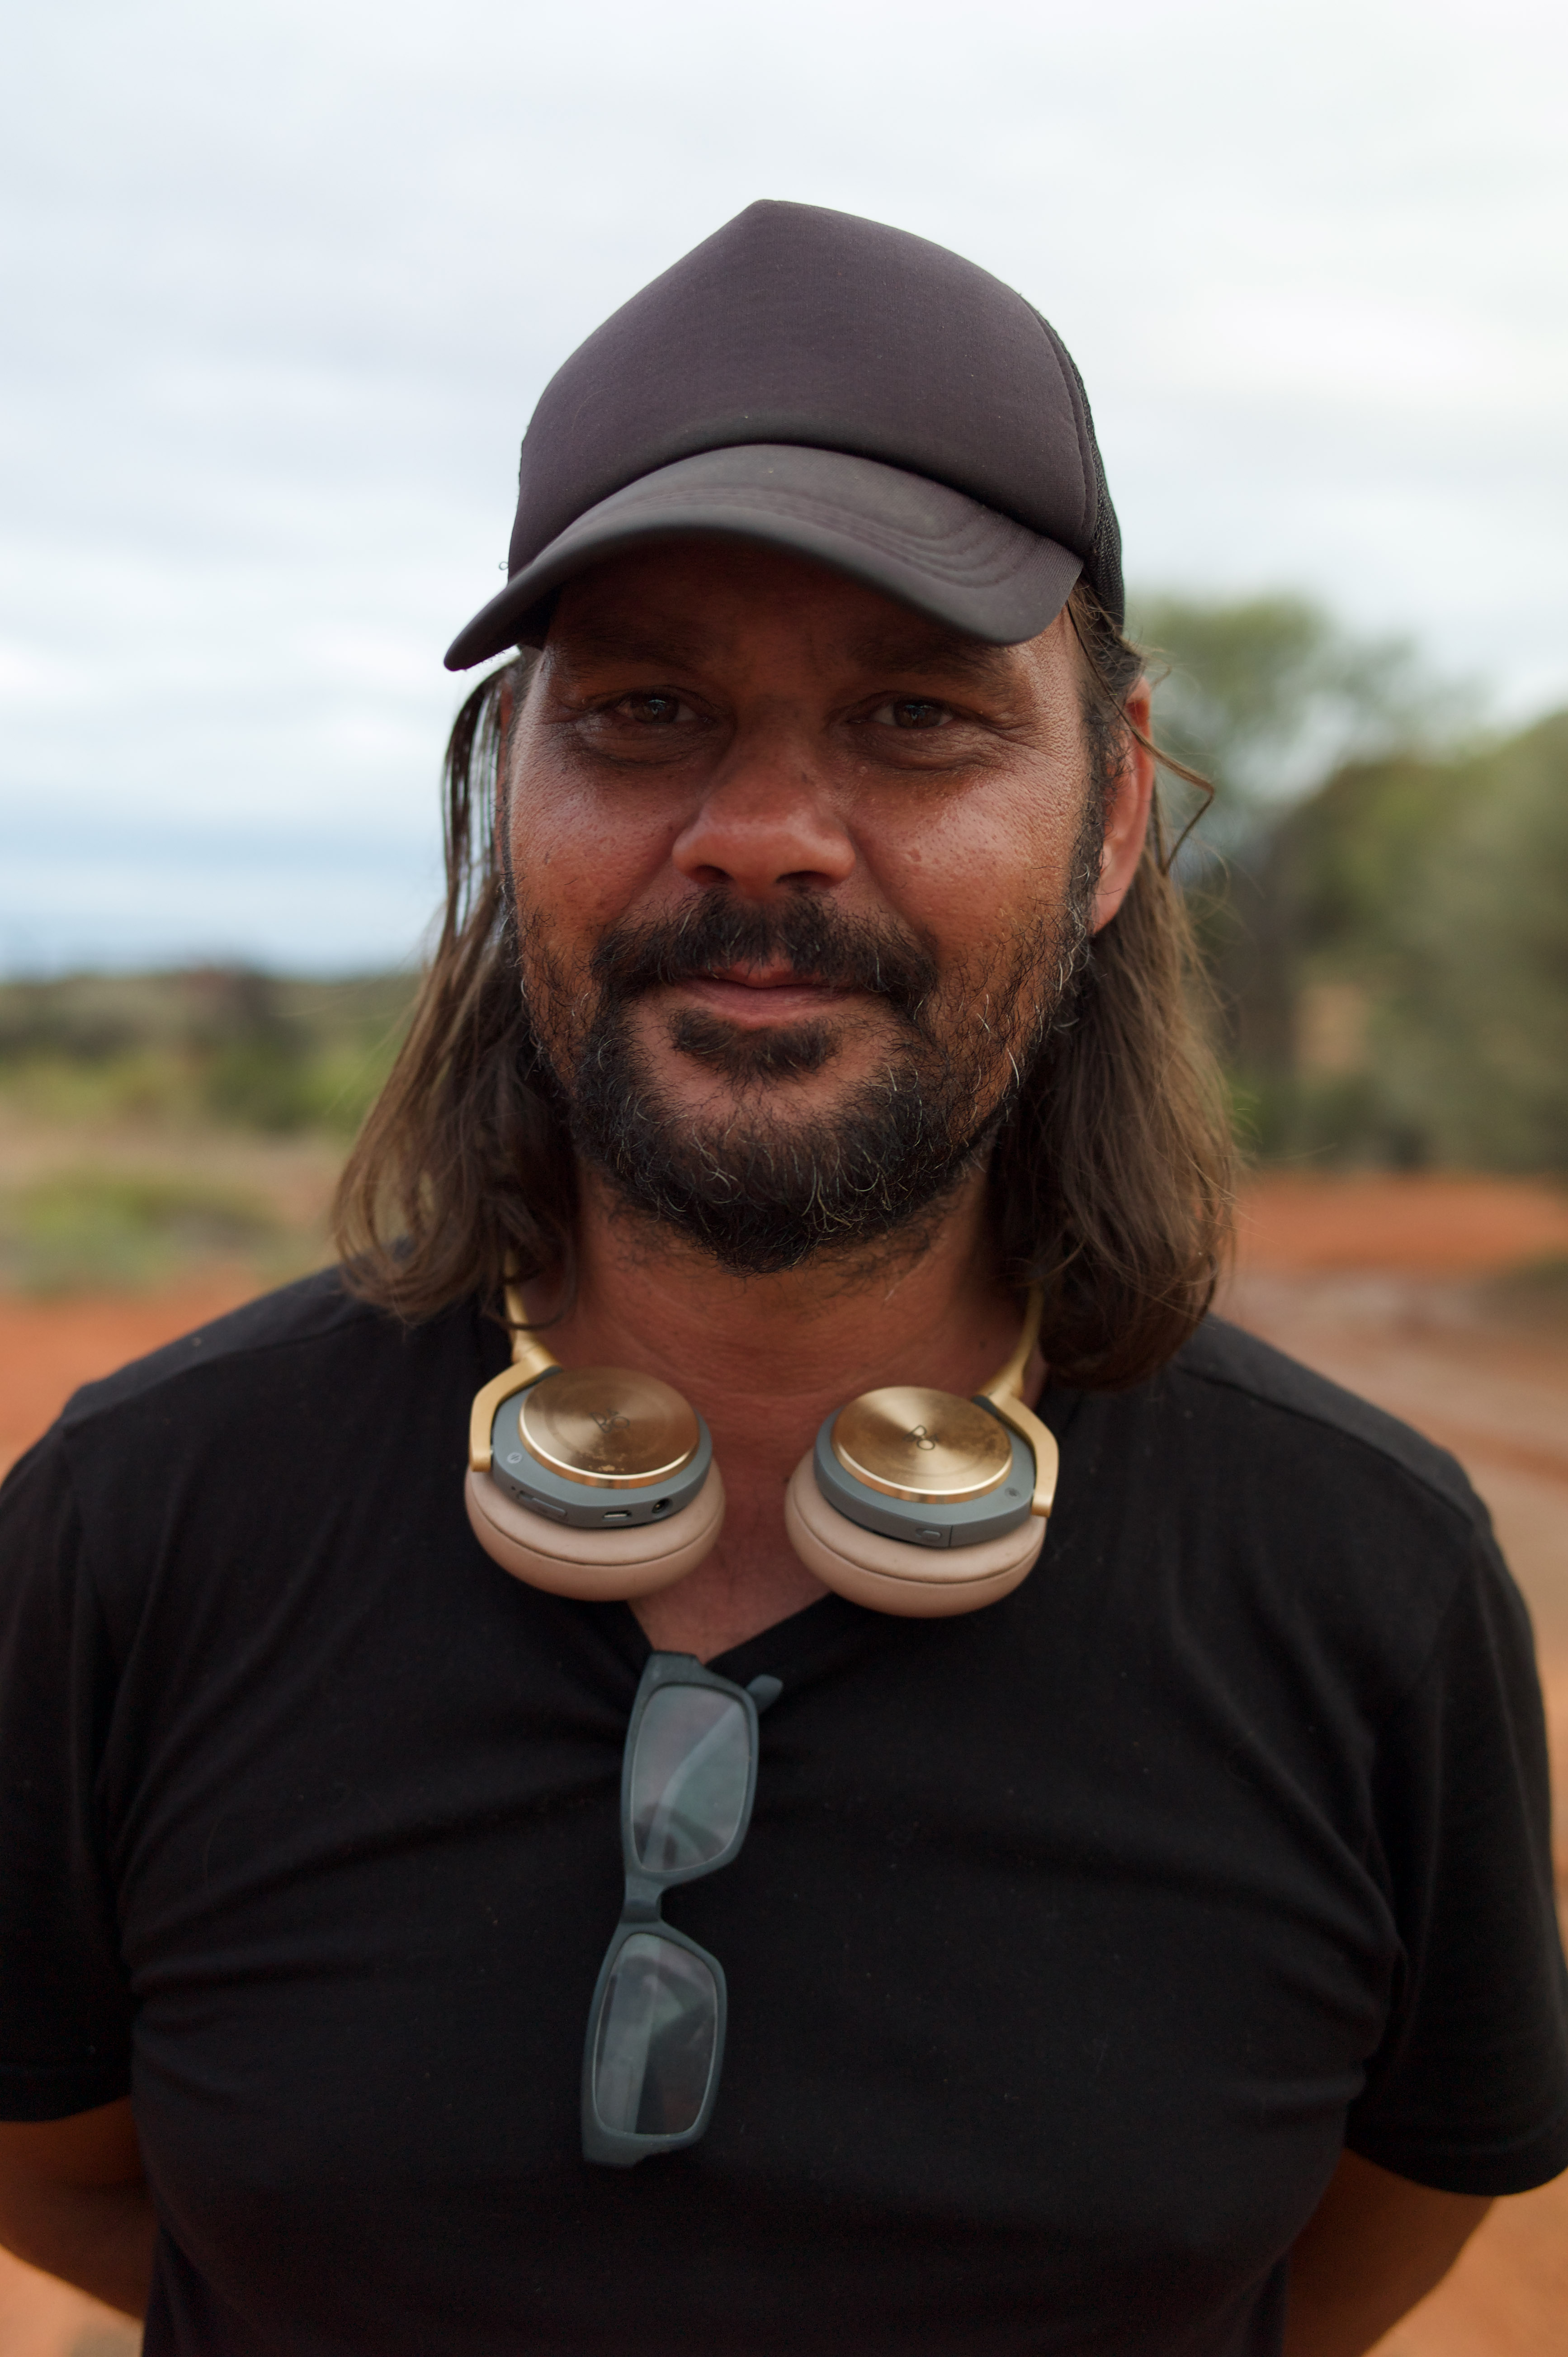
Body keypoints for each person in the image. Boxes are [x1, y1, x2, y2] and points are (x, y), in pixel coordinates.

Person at [0, 200, 1563, 2357]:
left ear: (1114, 815)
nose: (763, 834)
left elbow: (1353, 2249)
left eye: (918, 718)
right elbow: (64, 2166)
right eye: (644, 709)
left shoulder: (1368, 1585)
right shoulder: (136, 1524)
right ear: (509, 789)